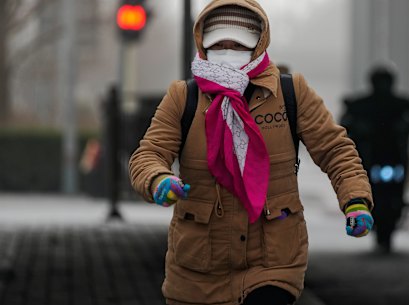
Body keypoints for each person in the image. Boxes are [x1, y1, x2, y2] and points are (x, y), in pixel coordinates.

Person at [128, 1, 374, 304]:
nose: (228, 50)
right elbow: (148, 154)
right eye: (219, 43)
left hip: (274, 261)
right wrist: (158, 180)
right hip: (198, 271)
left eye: (238, 44)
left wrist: (356, 200)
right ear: (203, 43)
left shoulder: (290, 93)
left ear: (259, 43)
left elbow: (335, 150)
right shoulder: (183, 97)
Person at [341, 66, 409, 253]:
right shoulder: (362, 104)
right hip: (370, 157)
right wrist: (359, 128)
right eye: (379, 82)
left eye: (385, 82)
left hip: (395, 154)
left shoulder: (400, 104)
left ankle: (400, 199)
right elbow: (344, 122)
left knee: (401, 177)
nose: (382, 86)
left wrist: (408, 123)